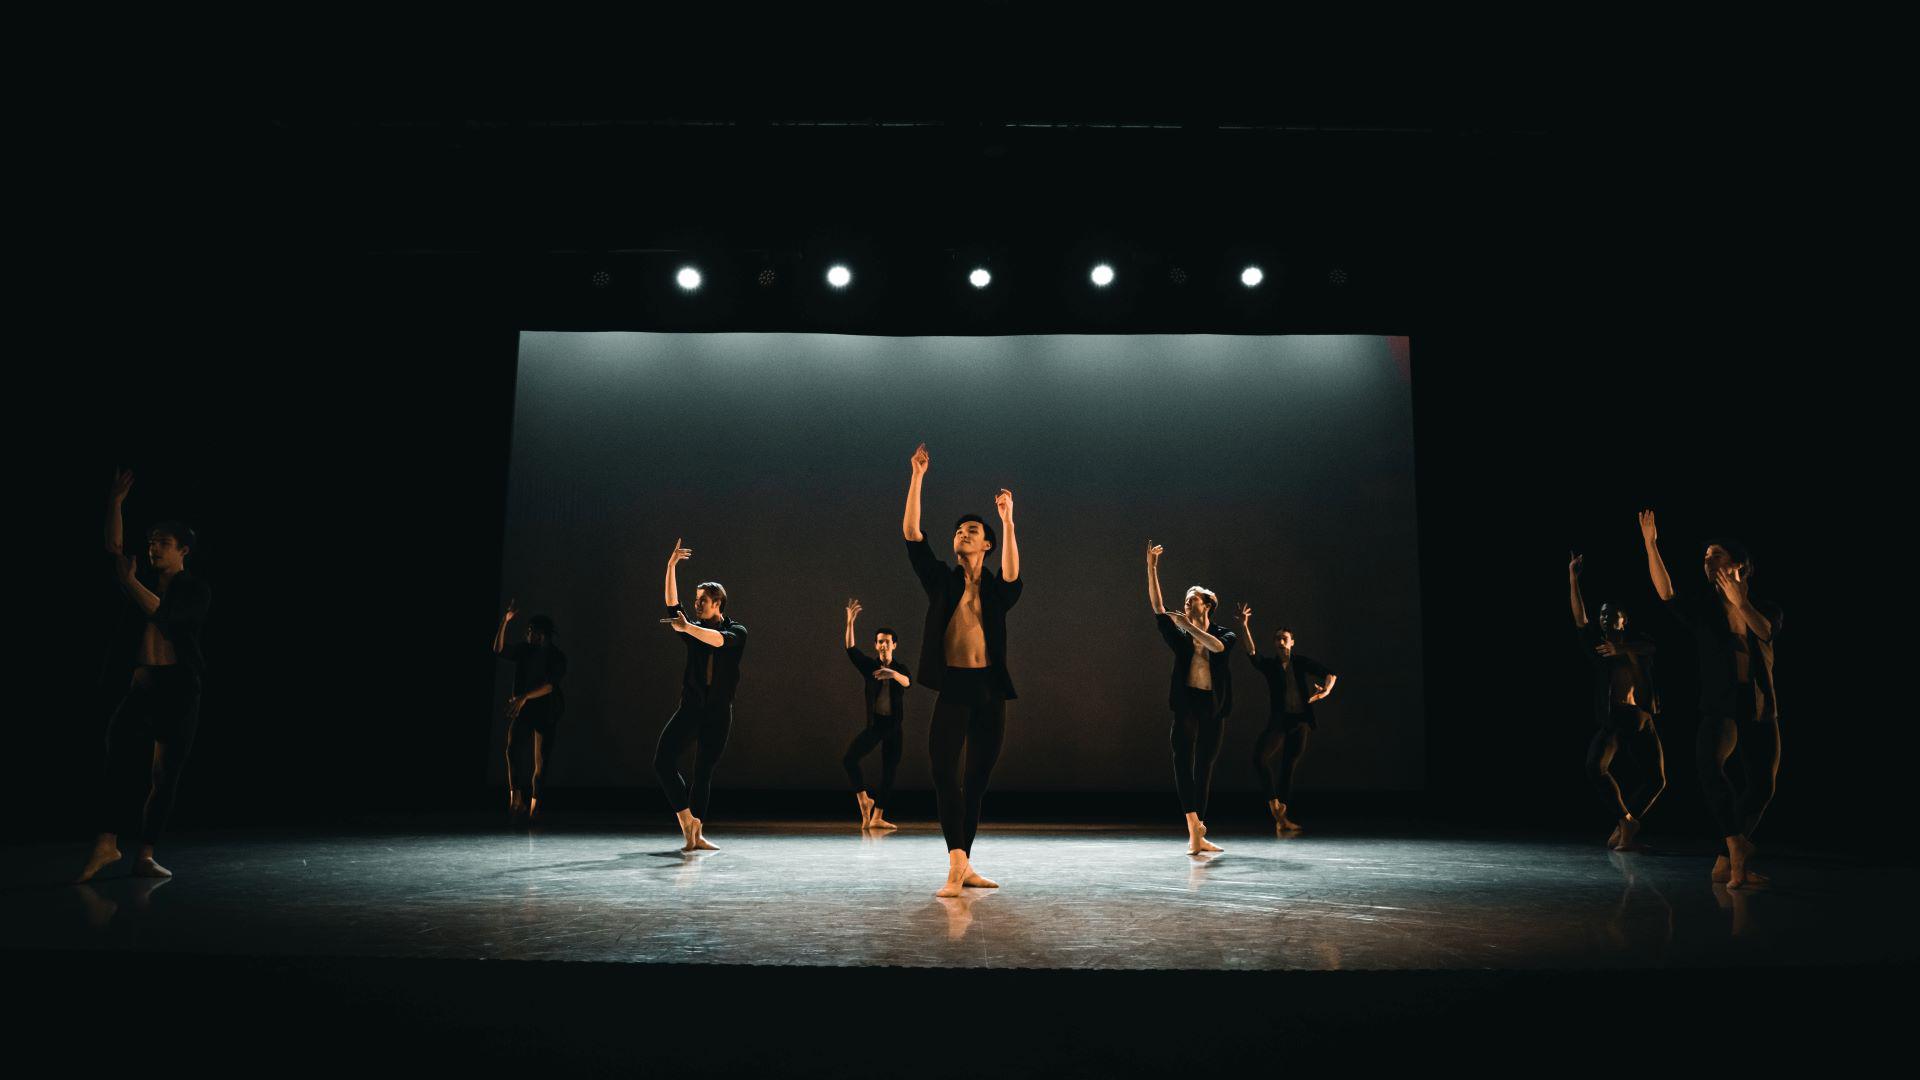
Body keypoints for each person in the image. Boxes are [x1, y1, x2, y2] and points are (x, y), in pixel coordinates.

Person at [78, 469, 212, 883]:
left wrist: (130, 582)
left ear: (183, 551)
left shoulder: (194, 589)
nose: (153, 548)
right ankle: (107, 842)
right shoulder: (140, 580)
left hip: (179, 690)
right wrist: (115, 502)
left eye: (163, 543)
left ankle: (146, 854)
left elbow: (166, 616)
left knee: (164, 775)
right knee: (115, 751)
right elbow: (114, 549)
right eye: (151, 542)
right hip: (143, 685)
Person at [902, 442, 1021, 897]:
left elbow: (1012, 576)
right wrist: (917, 477)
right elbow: (913, 534)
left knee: (976, 783)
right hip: (953, 689)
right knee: (942, 772)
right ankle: (956, 861)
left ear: (986, 543)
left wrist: (1008, 521)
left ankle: (964, 864)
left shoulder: (994, 590)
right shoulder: (941, 581)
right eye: (960, 531)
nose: (964, 535)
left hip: (989, 693)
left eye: (972, 530)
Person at [1640, 510, 1782, 889]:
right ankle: (1737, 849)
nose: (1707, 560)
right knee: (1709, 769)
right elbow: (1667, 593)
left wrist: (1740, 601)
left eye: (1714, 555)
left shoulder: (1766, 608)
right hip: (1721, 705)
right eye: (1704, 556)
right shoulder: (1704, 611)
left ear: (1739, 566)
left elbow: (1764, 631)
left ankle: (1728, 864)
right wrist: (1651, 545)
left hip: (1759, 707)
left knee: (1763, 786)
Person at [654, 538, 748, 852]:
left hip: (718, 712)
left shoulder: (737, 631)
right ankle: (686, 823)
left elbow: (719, 641)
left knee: (703, 771)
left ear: (718, 603)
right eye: (695, 600)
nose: (697, 605)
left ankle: (697, 834)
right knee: (663, 760)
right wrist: (670, 567)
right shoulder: (692, 628)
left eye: (702, 601)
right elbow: (672, 605)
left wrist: (686, 628)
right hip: (692, 707)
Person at [1568, 553, 1664, 850]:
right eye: (1603, 615)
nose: (1606, 618)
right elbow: (1580, 620)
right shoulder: (1600, 649)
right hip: (1615, 719)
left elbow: (1651, 647)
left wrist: (1621, 649)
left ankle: (1627, 822)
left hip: (1642, 718)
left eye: (1612, 614)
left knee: (1657, 780)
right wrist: (1573, 578)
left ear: (1625, 620)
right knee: (1594, 767)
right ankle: (1625, 819)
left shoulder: (1637, 643)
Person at [1145, 543, 1236, 854]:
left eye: (1191, 599)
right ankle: (1193, 828)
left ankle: (1200, 830)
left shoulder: (1224, 633)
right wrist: (1152, 568)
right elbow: (1158, 608)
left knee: (1204, 767)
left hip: (1213, 706)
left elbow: (1217, 648)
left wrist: (1188, 627)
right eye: (1184, 601)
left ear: (1207, 605)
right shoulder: (1181, 634)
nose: (1185, 604)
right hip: (1186, 703)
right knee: (1182, 760)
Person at [1235, 602, 1337, 836]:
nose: (1281, 642)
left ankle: (1283, 820)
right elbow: (1252, 653)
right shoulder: (1271, 666)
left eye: (1285, 638)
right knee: (1259, 757)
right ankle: (1274, 804)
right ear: (1275, 643)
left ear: (1292, 642)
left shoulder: (1300, 662)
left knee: (1288, 768)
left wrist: (1326, 691)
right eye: (1277, 639)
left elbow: (1330, 674)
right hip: (1279, 721)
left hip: (1300, 722)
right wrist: (1244, 626)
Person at [493, 599, 567, 824]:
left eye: (531, 631)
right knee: (512, 750)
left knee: (541, 762)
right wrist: (505, 622)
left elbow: (549, 686)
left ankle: (536, 806)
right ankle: (516, 799)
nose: (527, 634)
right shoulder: (524, 650)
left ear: (541, 635)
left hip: (547, 711)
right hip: (524, 711)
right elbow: (499, 649)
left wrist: (524, 697)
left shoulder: (556, 656)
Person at [841, 598, 910, 831]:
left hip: (894, 727)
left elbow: (907, 682)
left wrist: (893, 674)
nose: (883, 645)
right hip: (876, 725)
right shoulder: (870, 667)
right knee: (849, 759)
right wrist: (850, 622)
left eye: (887, 642)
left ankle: (877, 816)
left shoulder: (899, 669)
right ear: (876, 645)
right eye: (880, 642)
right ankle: (864, 799)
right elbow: (851, 649)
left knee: (889, 771)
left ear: (894, 645)